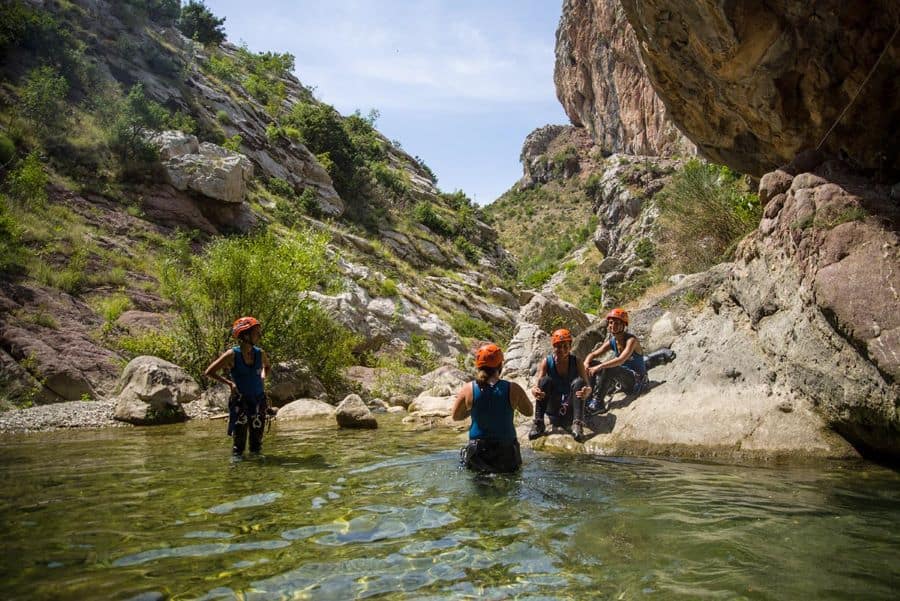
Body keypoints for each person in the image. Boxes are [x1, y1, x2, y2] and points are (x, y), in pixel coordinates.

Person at [452, 343, 533, 473]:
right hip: (507, 453)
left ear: (478, 365)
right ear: (500, 365)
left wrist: (473, 408)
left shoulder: (468, 389)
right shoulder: (513, 389)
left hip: (478, 453)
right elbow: (529, 412)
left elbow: (456, 416)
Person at [583, 307, 673, 416]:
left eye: (617, 323)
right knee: (592, 364)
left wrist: (600, 367)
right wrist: (587, 363)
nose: (613, 326)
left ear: (623, 325)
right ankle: (590, 396)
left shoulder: (631, 340)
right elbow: (593, 354)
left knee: (607, 367)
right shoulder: (612, 341)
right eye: (611, 323)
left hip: (636, 381)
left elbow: (621, 360)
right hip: (624, 377)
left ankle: (598, 403)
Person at [204, 316, 271, 457]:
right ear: (246, 335)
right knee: (238, 446)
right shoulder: (232, 354)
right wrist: (230, 383)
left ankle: (259, 472)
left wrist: (263, 377)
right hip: (240, 403)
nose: (260, 335)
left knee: (256, 444)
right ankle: (236, 474)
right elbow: (209, 372)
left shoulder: (260, 353)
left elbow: (267, 366)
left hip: (258, 401)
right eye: (256, 332)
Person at [528, 328, 592, 442]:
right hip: (553, 406)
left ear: (570, 347)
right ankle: (539, 422)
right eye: (558, 346)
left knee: (580, 382)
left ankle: (577, 423)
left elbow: (587, 385)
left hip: (571, 406)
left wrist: (587, 391)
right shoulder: (547, 362)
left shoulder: (577, 361)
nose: (562, 350)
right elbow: (537, 385)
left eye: (565, 346)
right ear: (553, 347)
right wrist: (534, 390)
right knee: (544, 381)